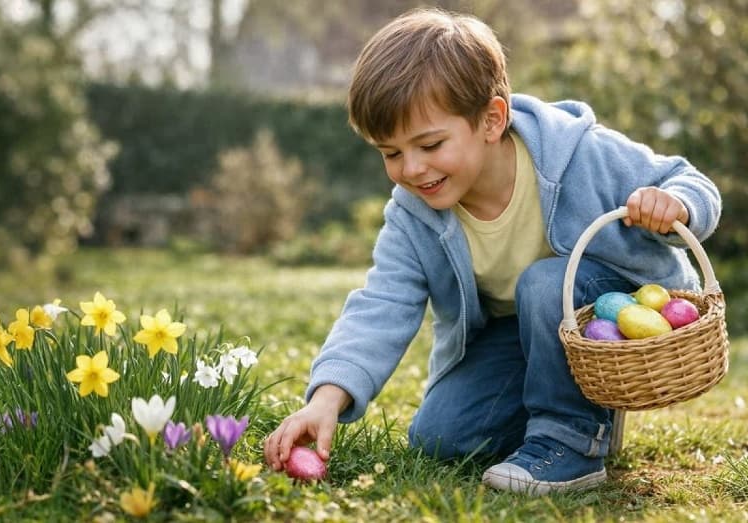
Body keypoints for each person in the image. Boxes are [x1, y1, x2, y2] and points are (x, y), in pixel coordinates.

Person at [262, 7, 721, 495]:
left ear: (491, 120)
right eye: (391, 154)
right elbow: (382, 304)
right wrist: (328, 398)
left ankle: (571, 443)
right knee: (440, 438)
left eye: (430, 145)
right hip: (518, 336)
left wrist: (677, 205)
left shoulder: (581, 154)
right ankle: (586, 410)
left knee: (543, 283)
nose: (412, 169)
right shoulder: (413, 215)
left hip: (612, 316)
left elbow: (690, 180)